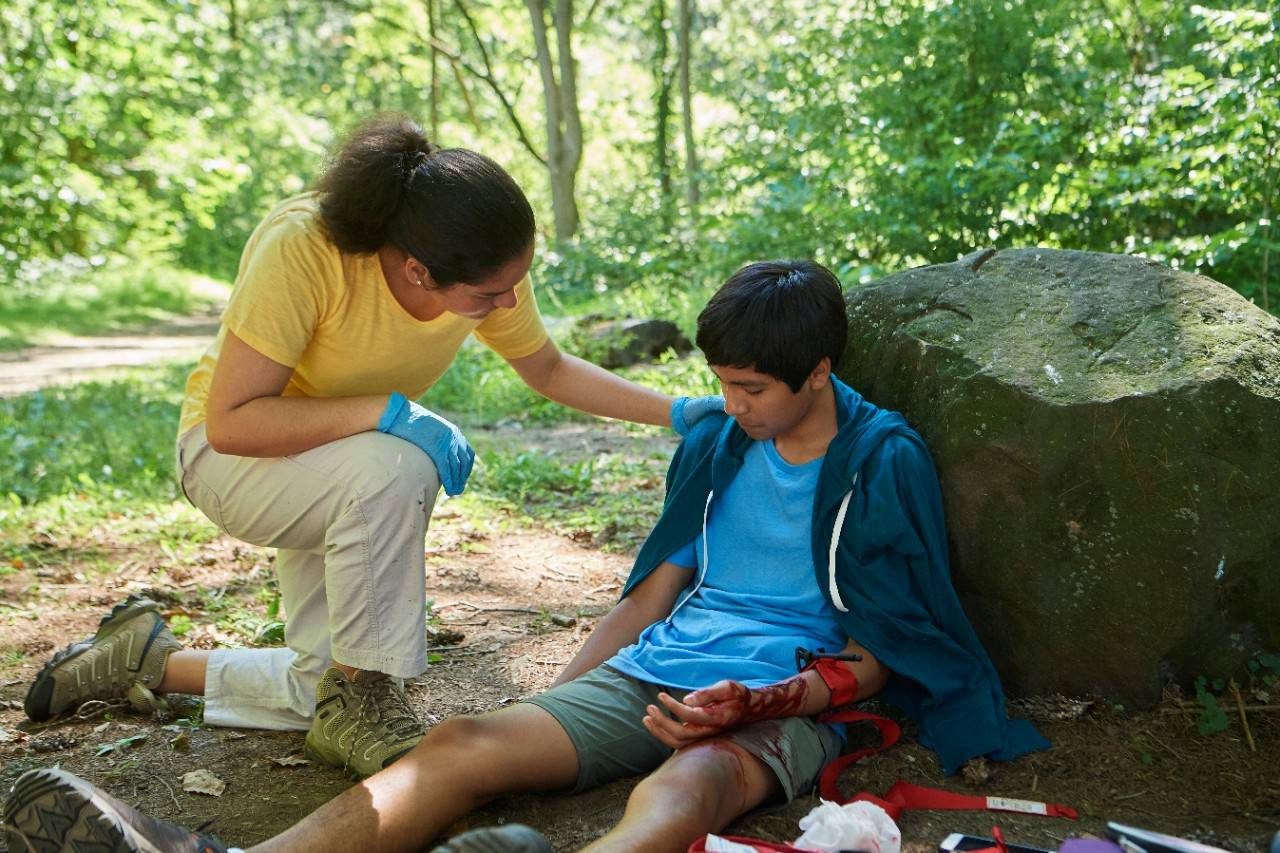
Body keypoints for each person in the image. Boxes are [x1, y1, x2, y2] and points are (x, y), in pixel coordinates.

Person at [2, 260, 1049, 853]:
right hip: (661, 668)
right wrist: (564, 699)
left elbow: (884, 654)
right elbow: (653, 591)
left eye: (748, 390)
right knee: (465, 742)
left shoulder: (882, 460)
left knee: (684, 796)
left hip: (788, 697)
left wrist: (764, 700)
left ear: (816, 371)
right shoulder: (722, 440)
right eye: (719, 385)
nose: (726, 408)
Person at [19, 112, 723, 779]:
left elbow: (547, 367)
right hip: (232, 458)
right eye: (490, 294)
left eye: (514, 283)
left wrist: (679, 411)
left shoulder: (481, 261)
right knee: (396, 464)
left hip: (338, 471)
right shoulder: (305, 248)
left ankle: (145, 659)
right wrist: (388, 411)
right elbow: (231, 420)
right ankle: (366, 698)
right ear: (418, 269)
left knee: (312, 689)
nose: (508, 303)